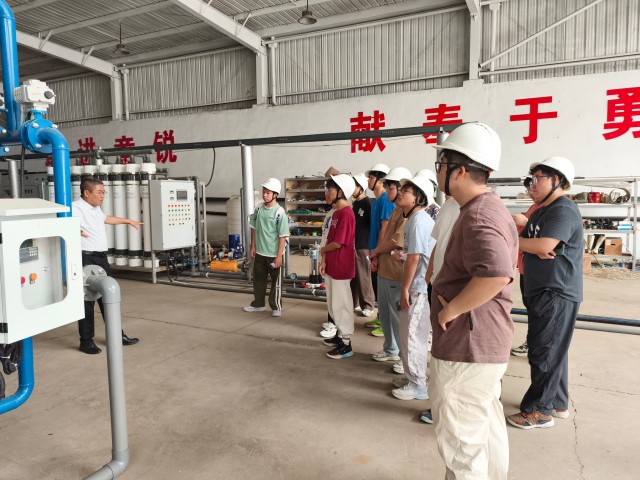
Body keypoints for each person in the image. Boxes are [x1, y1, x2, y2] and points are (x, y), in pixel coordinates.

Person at [430, 122, 518, 479]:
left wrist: (451, 308)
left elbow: (496, 274)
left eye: (442, 164)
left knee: (462, 446)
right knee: (483, 428)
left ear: (460, 171)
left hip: (467, 347)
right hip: (484, 344)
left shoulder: (478, 214)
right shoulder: (487, 207)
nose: (439, 171)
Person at [507, 157, 582, 430]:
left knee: (544, 352)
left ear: (557, 180)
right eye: (531, 179)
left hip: (556, 290)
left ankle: (540, 411)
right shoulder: (541, 211)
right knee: (552, 350)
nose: (532, 185)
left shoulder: (564, 209)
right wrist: (531, 245)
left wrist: (520, 241)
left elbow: (545, 245)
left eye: (538, 179)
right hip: (542, 288)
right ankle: (557, 402)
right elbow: (537, 245)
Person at [73, 177, 142, 355]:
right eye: (100, 192)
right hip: (86, 258)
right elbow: (59, 222)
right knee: (87, 302)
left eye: (104, 192)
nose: (103, 195)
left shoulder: (96, 208)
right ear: (86, 193)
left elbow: (106, 219)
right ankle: (86, 341)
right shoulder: (75, 208)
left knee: (109, 297)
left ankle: (117, 336)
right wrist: (75, 230)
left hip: (101, 259)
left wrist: (129, 221)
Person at [391, 175, 435, 401]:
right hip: (416, 285)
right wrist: (404, 255)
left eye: (405, 191)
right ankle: (412, 378)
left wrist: (405, 289)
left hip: (417, 288)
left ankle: (418, 385)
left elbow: (415, 258)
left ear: (418, 198)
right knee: (409, 335)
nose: (400, 193)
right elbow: (417, 254)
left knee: (412, 337)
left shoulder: (418, 221)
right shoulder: (416, 219)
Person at [368, 167, 412, 373]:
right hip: (385, 269)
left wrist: (376, 251)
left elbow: (395, 241)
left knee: (397, 318)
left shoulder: (406, 215)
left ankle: (404, 357)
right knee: (385, 314)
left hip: (396, 272)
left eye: (391, 188)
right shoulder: (395, 211)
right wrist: (377, 255)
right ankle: (390, 349)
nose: (388, 191)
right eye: (388, 187)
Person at [320, 174, 357, 359]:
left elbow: (338, 242)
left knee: (342, 305)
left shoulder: (347, 214)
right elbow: (330, 239)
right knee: (333, 304)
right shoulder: (335, 213)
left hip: (342, 267)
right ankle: (339, 336)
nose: (327, 193)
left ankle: (346, 343)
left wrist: (322, 251)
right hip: (332, 265)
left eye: (330, 190)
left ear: (341, 192)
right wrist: (324, 260)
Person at [244, 178, 289, 317]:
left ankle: (276, 307)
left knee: (276, 282)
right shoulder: (258, 208)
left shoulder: (280, 213)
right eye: (264, 192)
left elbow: (283, 236)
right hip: (260, 252)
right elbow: (253, 227)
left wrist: (279, 256)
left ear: (275, 194)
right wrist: (253, 245)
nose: (264, 195)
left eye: (268, 193)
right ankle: (258, 304)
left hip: (274, 254)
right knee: (258, 280)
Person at [510, 175, 541, 357]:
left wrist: (526, 222)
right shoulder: (534, 207)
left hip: (536, 269)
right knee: (531, 307)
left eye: (534, 187)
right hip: (525, 266)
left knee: (537, 310)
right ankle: (533, 343)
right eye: (529, 189)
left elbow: (544, 235)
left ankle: (534, 345)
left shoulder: (547, 209)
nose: (531, 192)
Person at [364, 163, 393, 336]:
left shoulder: (385, 201)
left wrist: (377, 253)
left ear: (381, 181)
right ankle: (381, 317)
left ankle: (386, 323)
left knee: (384, 289)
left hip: (380, 252)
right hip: (374, 250)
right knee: (377, 287)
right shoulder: (376, 201)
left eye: (371, 178)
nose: (368, 180)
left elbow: (385, 229)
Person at [350, 173, 375, 318]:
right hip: (354, 244)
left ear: (360, 187)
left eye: (353, 186)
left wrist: (372, 247)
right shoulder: (355, 204)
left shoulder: (367, 203)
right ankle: (353, 302)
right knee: (353, 276)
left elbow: (373, 226)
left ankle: (368, 305)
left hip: (364, 245)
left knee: (364, 275)